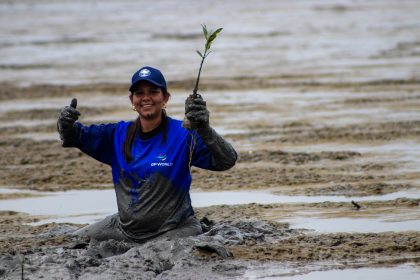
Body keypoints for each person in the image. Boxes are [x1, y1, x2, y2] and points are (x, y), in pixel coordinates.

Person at [57, 66, 237, 243]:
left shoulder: (184, 135)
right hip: (124, 229)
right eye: (139, 93)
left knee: (143, 253)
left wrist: (205, 129)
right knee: (71, 240)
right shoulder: (116, 135)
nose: (146, 98)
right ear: (132, 100)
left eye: (153, 92)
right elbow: (73, 135)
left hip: (175, 230)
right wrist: (64, 123)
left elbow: (227, 160)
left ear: (165, 97)